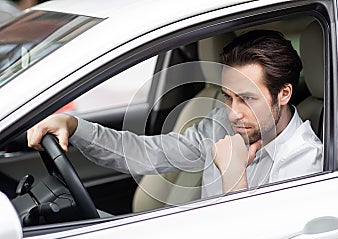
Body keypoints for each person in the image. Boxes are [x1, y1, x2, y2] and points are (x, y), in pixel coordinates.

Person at [27, 30, 323, 198]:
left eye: (246, 99)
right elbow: (146, 153)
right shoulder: (221, 126)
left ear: (283, 93)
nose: (233, 113)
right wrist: (74, 125)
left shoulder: (305, 160)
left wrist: (234, 178)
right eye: (227, 96)